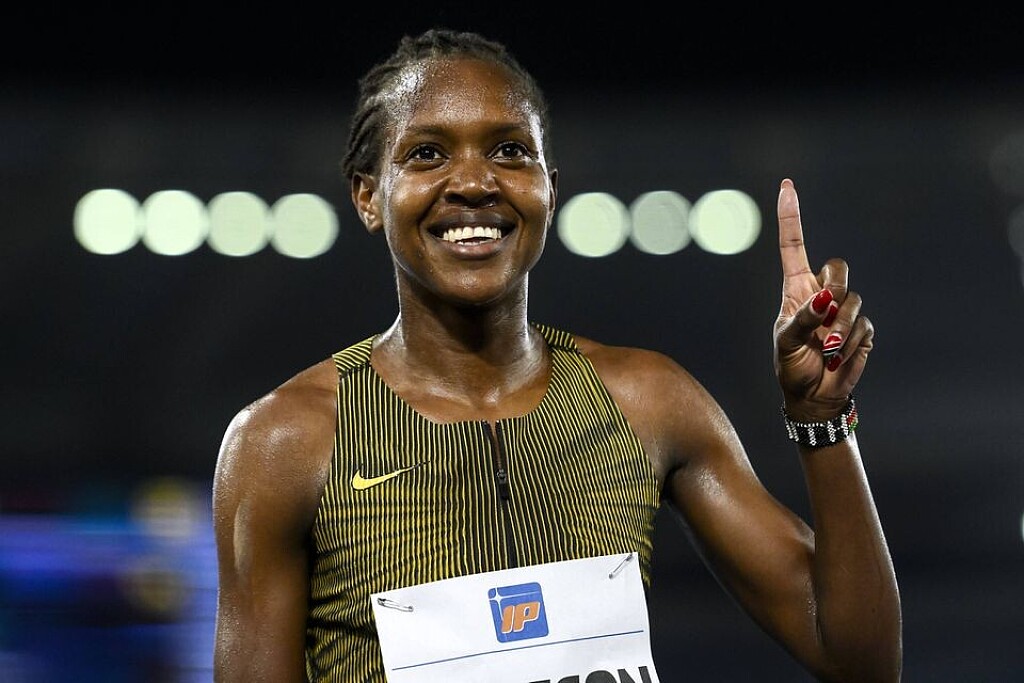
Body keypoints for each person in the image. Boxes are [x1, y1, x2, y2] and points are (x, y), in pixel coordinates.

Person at [212, 28, 902, 682]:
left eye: (510, 150)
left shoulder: (647, 401)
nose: (474, 182)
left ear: (550, 186)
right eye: (427, 154)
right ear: (369, 196)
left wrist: (821, 417)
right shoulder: (286, 442)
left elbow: (859, 662)